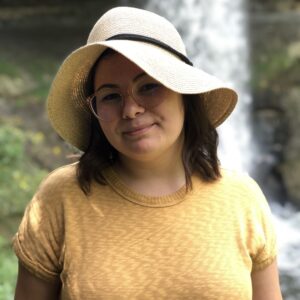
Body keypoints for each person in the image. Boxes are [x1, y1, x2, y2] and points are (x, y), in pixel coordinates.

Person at [13, 6, 282, 300]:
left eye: (149, 86)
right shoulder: (60, 198)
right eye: (111, 96)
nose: (131, 110)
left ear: (185, 95)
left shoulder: (242, 198)